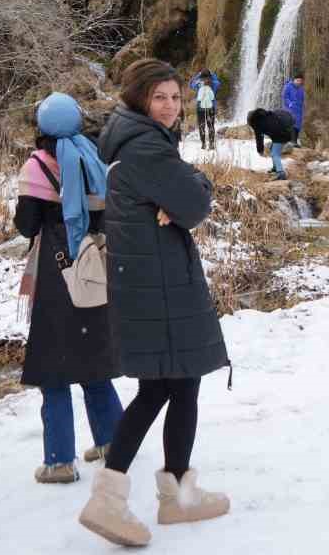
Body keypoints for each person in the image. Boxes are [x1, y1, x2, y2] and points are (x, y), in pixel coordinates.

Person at [80, 58, 230, 548]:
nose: (169, 106)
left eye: (174, 96)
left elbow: (188, 195)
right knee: (160, 390)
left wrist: (190, 190)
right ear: (139, 99)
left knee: (181, 382)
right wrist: (193, 191)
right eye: (159, 97)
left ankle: (178, 492)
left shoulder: (137, 141)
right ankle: (109, 497)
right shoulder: (147, 147)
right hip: (158, 286)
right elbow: (196, 203)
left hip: (154, 281)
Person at [14, 93, 123, 484]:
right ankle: (113, 443)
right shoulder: (94, 157)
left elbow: (26, 225)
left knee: (54, 367)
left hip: (56, 274)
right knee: (94, 360)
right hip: (95, 270)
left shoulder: (38, 166)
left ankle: (59, 461)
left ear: (41, 127)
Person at [247, 107, 296, 181]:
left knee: (274, 153)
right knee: (272, 149)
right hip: (286, 130)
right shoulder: (266, 116)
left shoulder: (258, 124)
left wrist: (260, 150)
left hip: (282, 134)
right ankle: (275, 168)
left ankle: (280, 173)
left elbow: (259, 138)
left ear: (252, 121)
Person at [193, 71, 218, 150]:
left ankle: (203, 143)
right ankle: (211, 144)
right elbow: (218, 82)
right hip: (211, 107)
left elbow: (191, 83)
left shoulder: (198, 84)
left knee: (201, 125)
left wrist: (198, 75)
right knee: (211, 125)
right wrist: (212, 75)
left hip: (200, 107)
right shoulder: (213, 83)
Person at [280, 73, 306, 147]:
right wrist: (289, 104)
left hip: (299, 110)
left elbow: (302, 99)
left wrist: (303, 106)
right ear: (294, 80)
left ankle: (295, 141)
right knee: (292, 125)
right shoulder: (288, 87)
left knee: (298, 126)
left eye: (300, 81)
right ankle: (292, 142)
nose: (299, 82)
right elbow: (284, 97)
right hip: (290, 109)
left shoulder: (301, 88)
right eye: (297, 80)